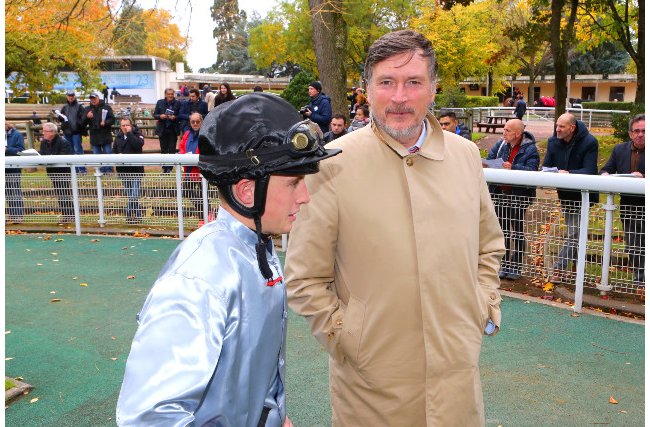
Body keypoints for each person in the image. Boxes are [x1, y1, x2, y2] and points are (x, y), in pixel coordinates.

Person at [284, 30, 505, 426]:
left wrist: (482, 304)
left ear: (433, 89)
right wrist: (348, 338)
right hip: (370, 390)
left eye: (414, 82)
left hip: (456, 381)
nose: (399, 97)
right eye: (386, 82)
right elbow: (304, 277)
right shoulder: (333, 165)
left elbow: (488, 246)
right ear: (367, 90)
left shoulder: (465, 156)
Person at [116, 92, 341, 426]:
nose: (305, 196)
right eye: (295, 183)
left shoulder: (257, 246)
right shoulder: (199, 281)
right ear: (247, 191)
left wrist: (274, 415)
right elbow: (148, 417)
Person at [543, 113, 598, 283]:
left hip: (583, 194)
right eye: (557, 125)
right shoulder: (553, 142)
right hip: (565, 195)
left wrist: (569, 173)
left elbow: (590, 170)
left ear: (572, 128)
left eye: (561, 126)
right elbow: (546, 166)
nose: (557, 129)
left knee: (573, 233)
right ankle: (577, 269)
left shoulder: (590, 142)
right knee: (576, 233)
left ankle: (559, 268)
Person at [484, 119, 540, 280]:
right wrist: (488, 164)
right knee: (503, 232)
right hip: (500, 193)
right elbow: (490, 159)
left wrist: (513, 168)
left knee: (518, 231)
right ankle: (505, 265)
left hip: (519, 195)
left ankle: (516, 266)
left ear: (517, 133)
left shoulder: (530, 149)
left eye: (508, 130)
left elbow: (532, 170)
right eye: (504, 129)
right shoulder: (500, 145)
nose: (504, 132)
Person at [600, 114, 645, 286]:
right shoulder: (619, 150)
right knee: (633, 246)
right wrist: (605, 174)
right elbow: (606, 169)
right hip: (628, 207)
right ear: (630, 133)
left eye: (644, 131)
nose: (640, 134)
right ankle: (640, 282)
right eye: (637, 131)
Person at [38, 122, 75, 223]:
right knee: (60, 194)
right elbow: (42, 154)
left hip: (63, 173)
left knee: (64, 193)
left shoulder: (63, 142)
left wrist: (49, 158)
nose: (43, 133)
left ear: (52, 132)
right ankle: (66, 216)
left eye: (45, 131)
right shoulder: (44, 142)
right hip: (52, 172)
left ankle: (70, 215)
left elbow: (64, 156)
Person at [112, 117, 145, 224]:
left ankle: (128, 214)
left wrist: (130, 134)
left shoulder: (137, 134)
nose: (125, 127)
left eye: (127, 125)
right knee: (130, 194)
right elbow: (114, 151)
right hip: (123, 171)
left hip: (136, 170)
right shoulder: (118, 137)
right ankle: (138, 216)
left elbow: (138, 145)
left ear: (131, 125)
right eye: (123, 125)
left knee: (134, 194)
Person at [179, 112, 205, 217]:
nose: (195, 124)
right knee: (186, 190)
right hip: (189, 170)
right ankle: (204, 213)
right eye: (192, 122)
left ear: (201, 122)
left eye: (197, 122)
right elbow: (181, 147)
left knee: (204, 195)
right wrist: (183, 155)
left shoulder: (205, 134)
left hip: (201, 171)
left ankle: (204, 215)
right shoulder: (187, 134)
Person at [82, 91, 115, 174]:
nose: (93, 100)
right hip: (94, 136)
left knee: (108, 153)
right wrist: (87, 117)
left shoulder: (106, 107)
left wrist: (106, 122)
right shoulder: (87, 109)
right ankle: (101, 170)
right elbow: (82, 123)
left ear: (98, 98)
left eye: (94, 98)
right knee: (97, 155)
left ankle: (109, 170)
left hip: (105, 135)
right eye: (91, 99)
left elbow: (112, 119)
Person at [154, 88, 182, 173]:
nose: (170, 96)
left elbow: (180, 115)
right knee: (163, 149)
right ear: (165, 94)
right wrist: (160, 116)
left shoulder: (178, 103)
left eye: (172, 94)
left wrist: (175, 117)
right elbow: (155, 115)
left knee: (172, 149)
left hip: (173, 129)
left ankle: (170, 168)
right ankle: (164, 168)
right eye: (169, 94)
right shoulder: (160, 102)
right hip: (162, 128)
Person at [59, 90, 87, 173]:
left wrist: (79, 125)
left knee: (78, 150)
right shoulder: (64, 107)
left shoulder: (79, 107)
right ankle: (74, 169)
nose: (71, 97)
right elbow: (61, 118)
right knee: (69, 151)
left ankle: (82, 169)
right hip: (67, 132)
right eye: (69, 95)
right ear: (67, 96)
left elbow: (83, 118)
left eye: (72, 95)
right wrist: (59, 117)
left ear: (74, 96)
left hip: (76, 132)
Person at [5, 121, 25, 223]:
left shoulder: (17, 134)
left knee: (15, 190)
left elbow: (21, 150)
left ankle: (19, 215)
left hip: (14, 167)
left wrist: (6, 150)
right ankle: (12, 215)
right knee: (7, 192)